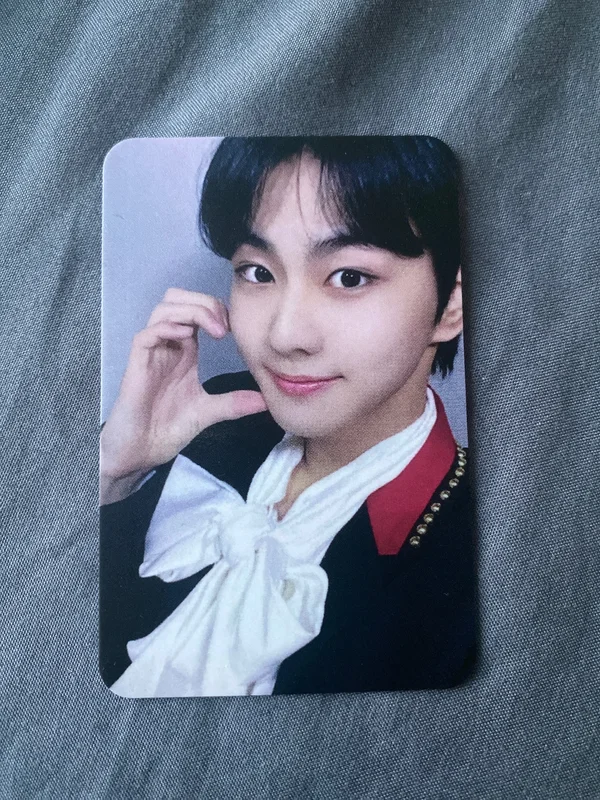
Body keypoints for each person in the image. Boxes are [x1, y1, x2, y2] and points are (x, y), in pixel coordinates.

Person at [99, 135, 476, 697]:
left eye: (349, 277)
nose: (284, 335)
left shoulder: (476, 549)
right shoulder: (212, 416)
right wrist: (116, 468)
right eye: (257, 271)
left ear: (449, 306)